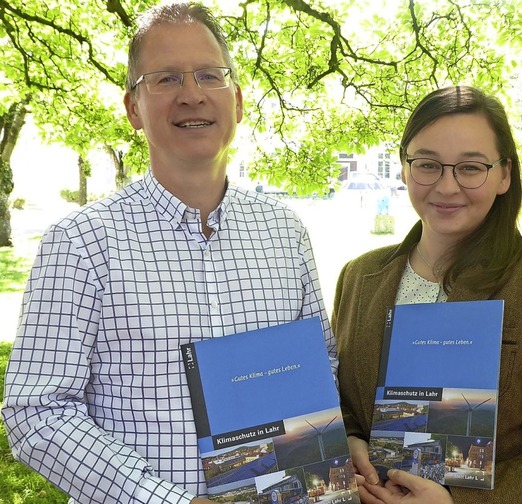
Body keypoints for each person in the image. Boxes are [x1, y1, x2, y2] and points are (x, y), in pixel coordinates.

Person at [2, 3, 335, 503]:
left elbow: (321, 366)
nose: (192, 95)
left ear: (238, 101)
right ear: (133, 108)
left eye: (209, 75)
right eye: (165, 79)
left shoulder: (286, 232)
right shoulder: (81, 243)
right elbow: (37, 411)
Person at [331, 86, 522, 504]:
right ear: (404, 168)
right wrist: (352, 440)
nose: (447, 187)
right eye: (428, 164)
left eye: (470, 168)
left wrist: (458, 503)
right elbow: (341, 400)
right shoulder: (360, 276)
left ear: (504, 174)